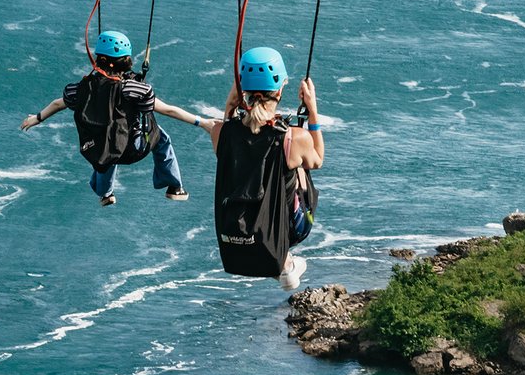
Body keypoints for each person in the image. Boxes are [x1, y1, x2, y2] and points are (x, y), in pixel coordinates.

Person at [19, 30, 216, 206]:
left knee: (106, 144)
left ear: (99, 59)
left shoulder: (80, 89)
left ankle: (106, 193)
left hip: (99, 149)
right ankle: (175, 187)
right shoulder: (133, 89)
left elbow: (58, 103)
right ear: (126, 60)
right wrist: (203, 123)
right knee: (160, 138)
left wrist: (37, 118)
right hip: (133, 149)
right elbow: (168, 110)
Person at [210, 47, 323, 290]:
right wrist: (312, 111)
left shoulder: (221, 132)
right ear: (280, 90)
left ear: (243, 91)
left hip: (237, 233)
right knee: (302, 167)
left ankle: (282, 261)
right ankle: (284, 261)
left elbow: (232, 132)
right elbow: (318, 160)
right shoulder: (294, 137)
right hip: (289, 229)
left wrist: (229, 107)